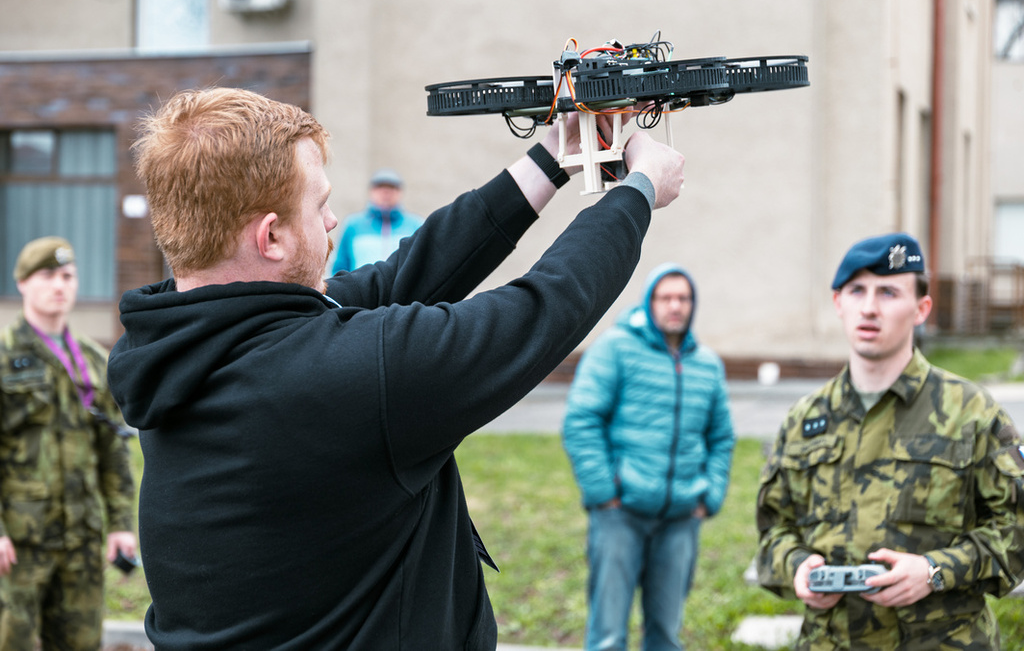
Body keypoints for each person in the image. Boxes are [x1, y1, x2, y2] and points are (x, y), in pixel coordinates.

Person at [106, 86, 686, 650]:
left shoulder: (175, 349)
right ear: (273, 235)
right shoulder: (338, 377)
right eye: (320, 204)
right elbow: (541, 310)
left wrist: (557, 153)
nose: (333, 221)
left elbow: (404, 275)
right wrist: (637, 191)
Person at [756, 232, 1024, 649]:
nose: (869, 307)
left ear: (921, 309)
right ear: (837, 303)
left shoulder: (972, 412)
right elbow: (774, 530)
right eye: (857, 290)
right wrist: (797, 568)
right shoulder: (806, 419)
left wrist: (937, 570)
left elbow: (1017, 527)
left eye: (888, 292)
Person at [563, 263, 735, 651]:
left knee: (665, 635)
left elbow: (722, 437)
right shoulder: (615, 348)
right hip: (620, 514)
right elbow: (581, 420)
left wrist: (709, 497)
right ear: (649, 301)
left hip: (681, 519)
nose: (675, 305)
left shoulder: (706, 364)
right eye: (666, 297)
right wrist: (605, 491)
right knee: (608, 635)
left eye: (683, 298)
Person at [0, 236, 137, 651]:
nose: (59, 285)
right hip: (20, 543)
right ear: (23, 282)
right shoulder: (4, 358)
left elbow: (113, 452)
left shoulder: (94, 361)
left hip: (80, 539)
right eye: (47, 275)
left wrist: (120, 524)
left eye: (67, 276)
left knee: (81, 643)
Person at [330, 168, 424, 273]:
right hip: (362, 288)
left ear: (400, 192)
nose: (386, 193)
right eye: (380, 187)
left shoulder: (415, 225)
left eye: (392, 187)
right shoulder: (353, 225)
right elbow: (340, 266)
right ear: (371, 191)